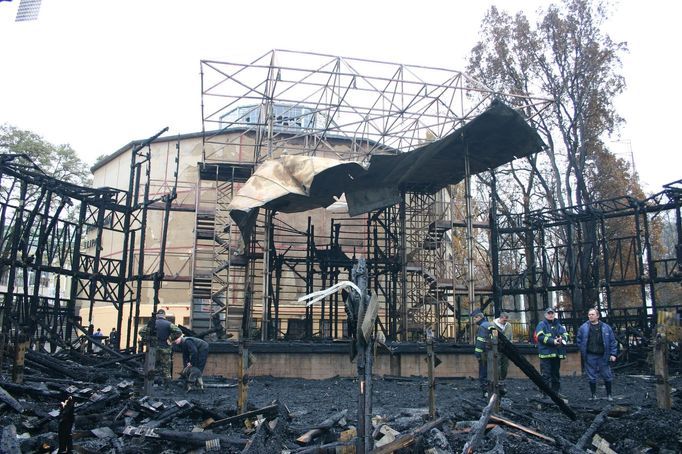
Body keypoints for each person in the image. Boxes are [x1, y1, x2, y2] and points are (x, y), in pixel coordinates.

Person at [576, 308, 618, 401]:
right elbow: (579, 340)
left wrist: (613, 354)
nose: (590, 316)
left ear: (598, 316)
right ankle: (593, 395)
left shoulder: (606, 327)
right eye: (589, 314)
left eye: (592, 314)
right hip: (590, 355)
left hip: (603, 355)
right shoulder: (583, 327)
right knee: (591, 376)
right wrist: (583, 350)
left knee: (607, 375)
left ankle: (609, 395)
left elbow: (612, 341)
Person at [534, 307, 569, 395]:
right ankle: (544, 394)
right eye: (549, 313)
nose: (551, 315)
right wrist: (552, 341)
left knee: (556, 374)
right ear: (545, 315)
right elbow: (540, 337)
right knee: (546, 375)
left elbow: (565, 335)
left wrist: (562, 339)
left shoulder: (559, 325)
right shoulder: (541, 324)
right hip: (546, 354)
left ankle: (555, 393)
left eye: (552, 313)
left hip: (557, 354)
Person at [139, 308, 174, 382]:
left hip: (153, 348)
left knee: (151, 365)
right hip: (165, 348)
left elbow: (141, 331)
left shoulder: (152, 323)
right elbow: (179, 332)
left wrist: (147, 339)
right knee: (166, 366)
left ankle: (151, 381)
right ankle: (167, 383)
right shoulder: (169, 324)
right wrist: (170, 339)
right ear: (164, 315)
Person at [472, 308, 494, 397]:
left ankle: (485, 392)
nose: (474, 320)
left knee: (483, 374)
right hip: (491, 353)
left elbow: (480, 342)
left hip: (484, 354)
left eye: (475, 318)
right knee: (490, 373)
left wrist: (477, 354)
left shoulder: (482, 327)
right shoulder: (489, 324)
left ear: (479, 317)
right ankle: (490, 391)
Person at [493, 312, 512, 383]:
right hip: (497, 348)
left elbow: (510, 337)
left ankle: (503, 378)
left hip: (506, 349)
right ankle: (497, 379)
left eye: (506, 320)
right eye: (504, 320)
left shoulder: (509, 326)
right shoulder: (493, 325)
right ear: (500, 318)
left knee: (505, 364)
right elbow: (494, 337)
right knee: (497, 364)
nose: (505, 322)